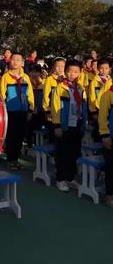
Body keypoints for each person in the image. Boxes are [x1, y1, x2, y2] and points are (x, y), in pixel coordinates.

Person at [51, 59, 87, 192]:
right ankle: (60, 179)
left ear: (80, 73)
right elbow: (55, 108)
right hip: (64, 126)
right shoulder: (60, 88)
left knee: (74, 152)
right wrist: (57, 126)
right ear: (65, 72)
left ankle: (70, 178)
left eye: (76, 72)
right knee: (62, 153)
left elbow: (83, 106)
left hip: (77, 124)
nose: (72, 74)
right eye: (69, 71)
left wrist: (84, 122)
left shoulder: (80, 88)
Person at [0, 52, 34, 170]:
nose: (15, 62)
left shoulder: (26, 78)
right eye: (13, 60)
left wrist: (31, 109)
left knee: (20, 136)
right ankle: (10, 159)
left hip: (23, 110)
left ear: (22, 63)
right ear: (10, 61)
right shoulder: (5, 77)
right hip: (10, 111)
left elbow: (30, 94)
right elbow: (2, 94)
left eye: (18, 60)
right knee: (11, 136)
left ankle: (16, 159)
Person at [97, 86, 113, 208]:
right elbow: (102, 116)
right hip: (110, 137)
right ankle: (109, 196)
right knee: (111, 167)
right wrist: (105, 134)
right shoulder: (108, 95)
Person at [25, 64, 46, 149]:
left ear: (40, 73)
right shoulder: (26, 83)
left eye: (36, 72)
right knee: (28, 126)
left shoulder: (45, 83)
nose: (33, 74)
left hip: (42, 111)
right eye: (32, 72)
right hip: (30, 110)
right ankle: (30, 145)